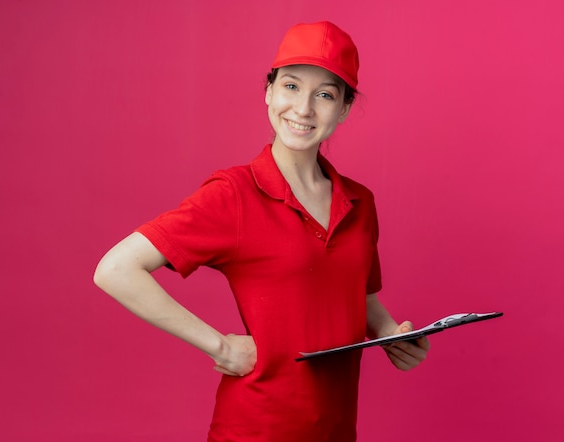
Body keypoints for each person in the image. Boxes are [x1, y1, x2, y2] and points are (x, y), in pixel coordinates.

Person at [94, 21, 430, 441]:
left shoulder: (360, 203)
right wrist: (220, 347)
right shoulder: (234, 194)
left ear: (344, 108)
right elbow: (115, 269)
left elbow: (357, 298)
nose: (303, 108)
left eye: (324, 94)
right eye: (290, 86)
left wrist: (393, 335)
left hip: (336, 429)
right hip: (256, 429)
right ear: (268, 91)